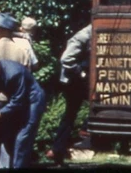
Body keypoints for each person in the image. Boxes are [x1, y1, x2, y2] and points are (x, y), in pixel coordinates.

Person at [0, 50, 47, 169]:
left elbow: (17, 101)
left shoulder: (14, 73)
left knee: (22, 139)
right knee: (9, 136)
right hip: (20, 102)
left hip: (33, 102)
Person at [46, 24, 92, 165]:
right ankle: (83, 132)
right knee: (72, 114)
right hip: (74, 81)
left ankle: (58, 150)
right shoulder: (82, 37)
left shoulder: (91, 34)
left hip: (80, 79)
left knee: (72, 114)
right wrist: (82, 73)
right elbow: (66, 59)